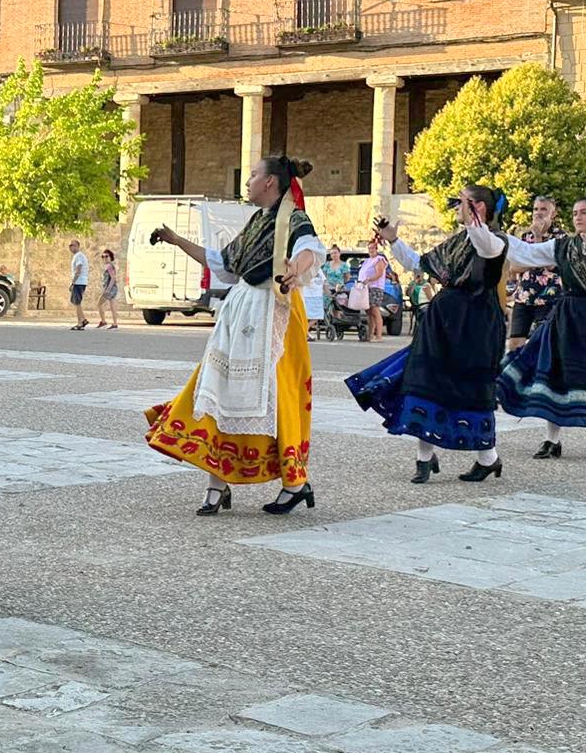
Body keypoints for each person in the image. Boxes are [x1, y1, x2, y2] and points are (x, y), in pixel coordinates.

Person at [145, 157, 324, 516]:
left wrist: (295, 269)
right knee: (216, 390)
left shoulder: (294, 219)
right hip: (240, 309)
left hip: (272, 312)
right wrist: (176, 239)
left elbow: (309, 249)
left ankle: (295, 483)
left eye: (254, 175)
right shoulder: (256, 221)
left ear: (271, 182)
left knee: (275, 399)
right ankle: (217, 484)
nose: (248, 181)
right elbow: (223, 262)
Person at [346, 185, 509, 484]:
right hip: (442, 319)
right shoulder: (456, 242)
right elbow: (419, 263)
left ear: (478, 207)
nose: (456, 208)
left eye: (461, 203)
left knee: (471, 388)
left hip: (476, 324)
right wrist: (392, 238)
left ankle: (488, 458)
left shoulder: (496, 241)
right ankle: (424, 458)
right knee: (425, 382)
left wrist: (476, 221)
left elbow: (485, 246)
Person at [497, 198, 586, 459]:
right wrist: (491, 233)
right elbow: (525, 254)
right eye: (574, 213)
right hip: (568, 313)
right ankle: (552, 440)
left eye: (584, 212)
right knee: (555, 372)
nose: (578, 217)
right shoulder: (561, 245)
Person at [506, 195, 563, 352]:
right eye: (535, 209)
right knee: (514, 343)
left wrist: (538, 238)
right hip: (524, 297)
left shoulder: (560, 238)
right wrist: (534, 262)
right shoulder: (525, 236)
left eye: (543, 209)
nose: (538, 213)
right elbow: (514, 267)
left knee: (542, 344)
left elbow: (550, 265)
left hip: (548, 299)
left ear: (553, 213)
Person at [359, 239, 388, 341]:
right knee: (369, 312)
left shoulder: (379, 259)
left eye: (372, 248)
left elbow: (379, 273)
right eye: (369, 248)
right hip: (366, 288)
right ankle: (370, 334)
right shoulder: (367, 261)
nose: (371, 250)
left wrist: (369, 279)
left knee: (375, 310)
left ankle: (379, 335)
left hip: (376, 287)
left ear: (376, 249)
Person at [95, 248, 120, 329]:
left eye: (106, 256)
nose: (104, 258)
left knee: (99, 304)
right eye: (103, 256)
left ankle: (103, 321)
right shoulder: (111, 266)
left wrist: (108, 289)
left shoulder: (109, 266)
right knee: (113, 307)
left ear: (110, 257)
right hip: (114, 288)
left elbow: (113, 278)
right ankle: (115, 324)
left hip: (110, 289)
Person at [69, 240, 90, 330]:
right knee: (76, 302)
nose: (71, 247)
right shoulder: (77, 256)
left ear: (78, 246)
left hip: (79, 282)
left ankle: (80, 322)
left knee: (77, 302)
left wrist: (73, 282)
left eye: (73, 245)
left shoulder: (79, 256)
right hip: (80, 281)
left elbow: (79, 269)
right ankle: (83, 319)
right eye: (70, 245)